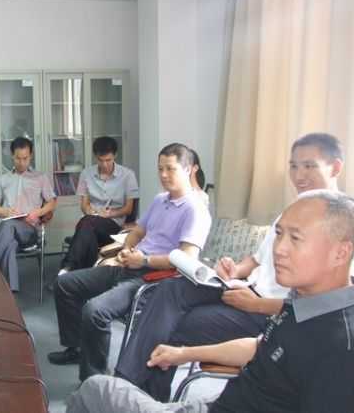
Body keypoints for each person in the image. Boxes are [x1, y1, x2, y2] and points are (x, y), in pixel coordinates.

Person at [67, 190, 354, 413]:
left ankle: (132, 381)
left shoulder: (340, 345)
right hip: (219, 403)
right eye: (279, 234)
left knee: (95, 391)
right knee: (171, 298)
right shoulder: (301, 302)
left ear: (341, 253)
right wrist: (182, 354)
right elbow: (260, 347)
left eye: (296, 238)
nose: (279, 249)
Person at [114, 132, 344, 402]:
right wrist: (234, 270)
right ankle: (128, 387)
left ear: (335, 167)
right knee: (170, 290)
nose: (299, 175)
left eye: (309, 166)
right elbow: (255, 261)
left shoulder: (341, 225)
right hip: (245, 288)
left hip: (266, 311)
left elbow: (316, 308)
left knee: (172, 324)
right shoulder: (292, 212)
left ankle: (133, 392)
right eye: (293, 166)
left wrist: (256, 304)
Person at [48, 143, 212, 382]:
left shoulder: (195, 209)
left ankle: (94, 380)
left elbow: (186, 259)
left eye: (171, 169)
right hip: (130, 265)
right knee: (65, 284)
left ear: (188, 170)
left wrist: (144, 259)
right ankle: (77, 348)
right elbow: (137, 231)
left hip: (153, 279)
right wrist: (126, 250)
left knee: (95, 311)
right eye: (160, 169)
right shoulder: (160, 200)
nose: (164, 175)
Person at [0, 137, 57, 292]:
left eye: (25, 158)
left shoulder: (40, 178)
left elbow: (52, 202)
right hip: (7, 230)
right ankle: (11, 291)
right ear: (12, 156)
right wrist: (5, 211)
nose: (21, 162)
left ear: (30, 156)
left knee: (8, 225)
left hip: (29, 230)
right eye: (18, 158)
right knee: (9, 244)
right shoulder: (3, 179)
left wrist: (38, 212)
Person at [60, 136, 139, 273]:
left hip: (114, 225)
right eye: (100, 160)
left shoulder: (128, 175)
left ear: (115, 155)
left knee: (86, 224)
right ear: (96, 157)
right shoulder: (86, 174)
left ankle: (68, 268)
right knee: (89, 232)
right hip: (91, 222)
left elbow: (129, 209)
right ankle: (86, 275)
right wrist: (89, 211)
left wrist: (110, 214)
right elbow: (84, 205)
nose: (104, 165)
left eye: (108, 160)